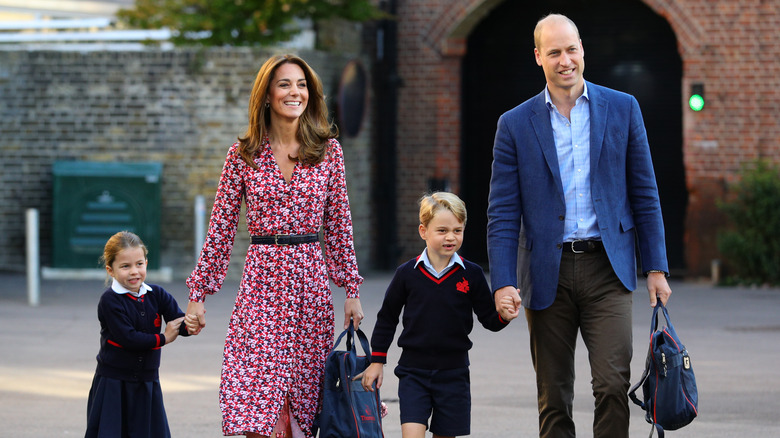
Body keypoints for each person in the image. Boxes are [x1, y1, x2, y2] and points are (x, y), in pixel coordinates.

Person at [487, 13, 673, 438]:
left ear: (583, 50)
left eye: (571, 49)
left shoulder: (623, 109)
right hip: (545, 271)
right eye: (554, 52)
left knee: (611, 385)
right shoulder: (514, 124)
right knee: (553, 396)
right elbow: (501, 212)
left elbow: (645, 194)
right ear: (538, 57)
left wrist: (657, 267)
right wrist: (502, 281)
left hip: (609, 268)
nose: (565, 60)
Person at [183, 54, 364, 438]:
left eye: (301, 85)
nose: (294, 92)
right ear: (267, 94)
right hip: (261, 284)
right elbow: (221, 228)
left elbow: (339, 225)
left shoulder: (328, 152)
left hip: (308, 286)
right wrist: (199, 292)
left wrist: (351, 290)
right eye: (284, 84)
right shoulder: (244, 152)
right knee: (252, 397)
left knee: (303, 395)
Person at [360, 192, 518, 438]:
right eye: (442, 230)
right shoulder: (406, 274)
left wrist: (505, 316)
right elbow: (387, 318)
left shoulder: (472, 274)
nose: (450, 237)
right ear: (423, 231)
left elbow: (489, 320)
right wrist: (377, 361)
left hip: (454, 374)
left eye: (457, 230)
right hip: (413, 373)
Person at [85, 231, 188, 438]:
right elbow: (128, 338)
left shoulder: (157, 294)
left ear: (146, 263)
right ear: (110, 270)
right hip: (113, 382)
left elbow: (178, 321)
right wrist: (164, 338)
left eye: (139, 264)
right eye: (125, 266)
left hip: (147, 381)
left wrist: (191, 323)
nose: (134, 272)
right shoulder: (110, 300)